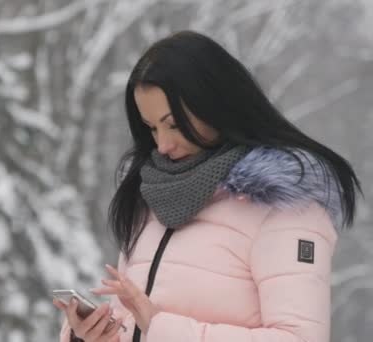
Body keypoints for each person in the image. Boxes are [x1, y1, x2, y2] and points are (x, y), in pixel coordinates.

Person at [52, 30, 362, 342]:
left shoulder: (285, 208)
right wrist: (94, 336)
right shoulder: (154, 195)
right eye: (152, 128)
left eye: (173, 124)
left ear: (215, 103)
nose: (162, 145)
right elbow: (137, 323)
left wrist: (161, 328)